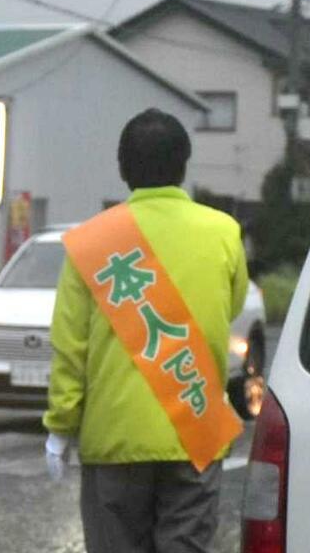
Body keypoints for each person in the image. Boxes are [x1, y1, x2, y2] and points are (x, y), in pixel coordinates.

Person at [43, 108, 248, 553]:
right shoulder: (225, 233)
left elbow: (70, 347)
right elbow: (228, 307)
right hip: (196, 426)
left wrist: (60, 426)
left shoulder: (91, 241)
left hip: (115, 439)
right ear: (184, 164)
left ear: (122, 167)